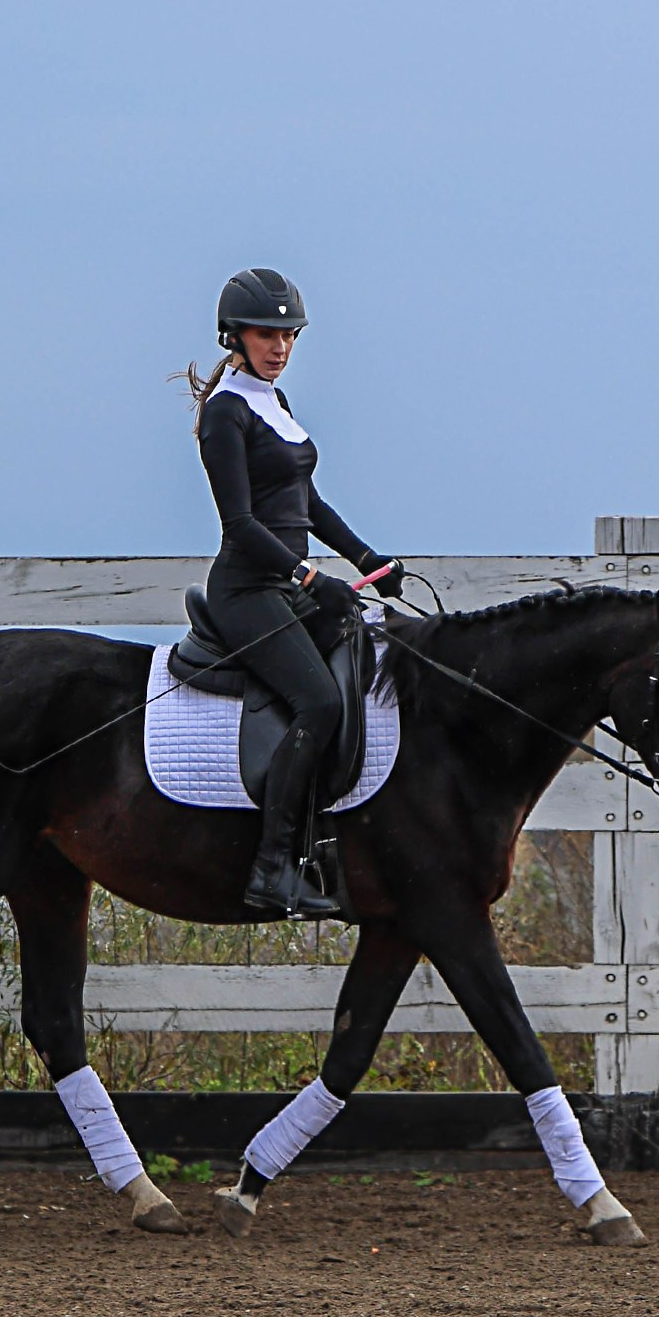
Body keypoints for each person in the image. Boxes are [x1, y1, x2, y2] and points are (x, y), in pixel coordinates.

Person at [190, 268, 402, 917]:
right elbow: (241, 525)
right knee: (318, 700)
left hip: (284, 588)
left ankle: (334, 841)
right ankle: (272, 867)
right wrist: (309, 577)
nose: (280, 347)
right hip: (247, 591)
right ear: (235, 336)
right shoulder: (226, 412)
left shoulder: (273, 402)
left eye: (288, 335)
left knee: (360, 663)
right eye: (266, 335)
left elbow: (307, 502)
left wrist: (365, 558)